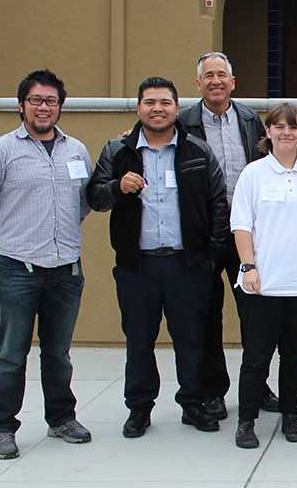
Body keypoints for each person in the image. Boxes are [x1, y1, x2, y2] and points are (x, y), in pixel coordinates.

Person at [88, 77, 229, 438]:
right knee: (139, 340)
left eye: (165, 102)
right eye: (150, 102)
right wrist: (118, 188)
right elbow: (95, 197)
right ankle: (139, 407)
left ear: (175, 107)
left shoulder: (197, 150)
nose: (157, 108)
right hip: (138, 265)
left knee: (191, 339)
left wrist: (212, 254)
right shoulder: (118, 150)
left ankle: (193, 403)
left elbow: (218, 202)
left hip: (188, 264)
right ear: (139, 108)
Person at [0, 68, 93, 459]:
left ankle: (61, 418)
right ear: (21, 105)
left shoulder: (77, 150)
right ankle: (3, 427)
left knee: (58, 352)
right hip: (17, 271)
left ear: (61, 106)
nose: (44, 107)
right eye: (36, 100)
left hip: (66, 270)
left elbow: (83, 205)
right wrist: (16, 237)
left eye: (51, 101)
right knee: (11, 354)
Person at [230, 103, 297, 447]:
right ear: (269, 132)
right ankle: (246, 422)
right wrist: (249, 266)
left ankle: (291, 416)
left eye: (293, 126)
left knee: (295, 357)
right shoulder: (254, 174)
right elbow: (241, 224)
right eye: (279, 126)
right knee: (256, 357)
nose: (286, 132)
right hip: (263, 284)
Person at [175, 51, 264, 423]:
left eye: (221, 75)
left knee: (254, 313)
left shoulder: (249, 119)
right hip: (205, 232)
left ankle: (256, 386)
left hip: (246, 230)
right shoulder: (184, 123)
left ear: (233, 81)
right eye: (208, 75)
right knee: (208, 314)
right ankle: (213, 391)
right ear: (198, 83)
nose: (215, 81)